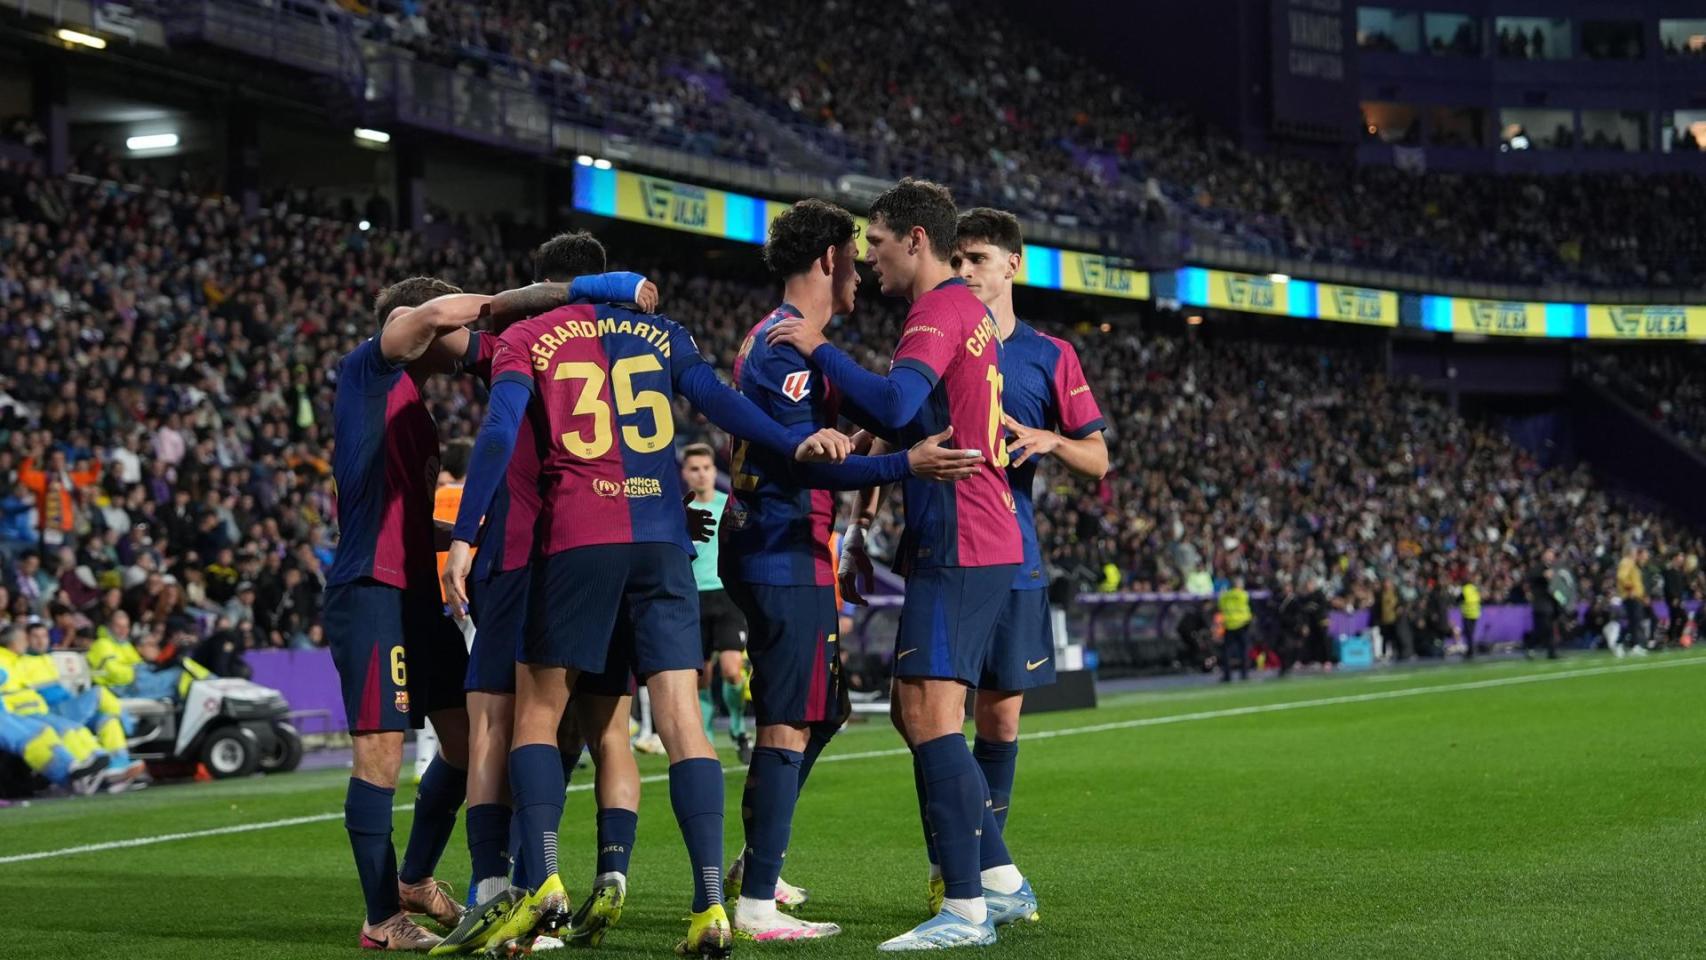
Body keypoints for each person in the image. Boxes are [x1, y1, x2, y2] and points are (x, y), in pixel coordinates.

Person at [440, 272, 854, 957]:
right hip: (662, 542)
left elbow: (499, 428)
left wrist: (464, 536)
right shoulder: (663, 332)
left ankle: (540, 880)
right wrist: (791, 443)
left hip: (577, 537)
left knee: (538, 715)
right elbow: (719, 401)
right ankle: (710, 907)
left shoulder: (527, 335)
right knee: (683, 721)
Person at [766, 178, 1023, 951]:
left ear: (915, 239)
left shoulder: (938, 310)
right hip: (977, 534)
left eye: (874, 242)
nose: (867, 257)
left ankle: (967, 909)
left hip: (963, 536)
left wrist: (817, 350)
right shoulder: (967, 311)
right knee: (926, 710)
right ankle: (1001, 882)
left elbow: (897, 406)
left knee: (923, 712)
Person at [427, 244, 659, 954]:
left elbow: (438, 326)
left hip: (526, 551)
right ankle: (572, 879)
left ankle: (499, 891)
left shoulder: (518, 343)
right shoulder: (634, 350)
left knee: (499, 722)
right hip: (616, 548)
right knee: (585, 730)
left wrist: (464, 538)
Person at [323, 276, 566, 951]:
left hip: (415, 598)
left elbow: (400, 512)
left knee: (465, 745)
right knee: (379, 755)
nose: (472, 341)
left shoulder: (414, 410)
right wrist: (548, 293)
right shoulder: (369, 370)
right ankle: (381, 918)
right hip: (370, 590)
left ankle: (412, 879)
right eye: (463, 326)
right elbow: (428, 312)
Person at [883, 205, 1103, 920]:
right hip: (940, 540)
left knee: (997, 721)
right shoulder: (942, 328)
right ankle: (966, 870)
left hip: (1010, 552)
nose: (967, 269)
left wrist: (1050, 439)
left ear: (1014, 265)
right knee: (914, 710)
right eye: (962, 256)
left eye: (980, 259)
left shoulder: (1049, 354)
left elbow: (1098, 458)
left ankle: (983, 875)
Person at [680, 444, 750, 763]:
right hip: (692, 598)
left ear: (713, 470)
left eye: (706, 467)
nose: (701, 473)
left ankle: (737, 729)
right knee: (701, 676)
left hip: (727, 596)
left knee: (732, 670)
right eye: (694, 468)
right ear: (685, 473)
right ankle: (706, 738)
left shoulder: (728, 507)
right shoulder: (677, 512)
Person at [1616, 546, 1650, 654]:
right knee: (1633, 621)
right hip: (1631, 596)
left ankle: (1633, 645)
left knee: (1634, 622)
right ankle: (1621, 644)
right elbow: (1622, 577)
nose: (1636, 554)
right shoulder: (1626, 562)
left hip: (1635, 596)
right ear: (1630, 552)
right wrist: (1630, 589)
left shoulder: (1631, 563)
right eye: (1635, 552)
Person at [1218, 577, 1252, 682]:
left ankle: (1227, 675)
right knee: (1244, 651)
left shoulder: (1224, 596)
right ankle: (1244, 674)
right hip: (1242, 624)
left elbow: (1221, 607)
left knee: (1227, 652)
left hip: (1229, 625)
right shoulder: (1243, 595)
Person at [1459, 573, 1481, 660]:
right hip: (1475, 614)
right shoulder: (1474, 588)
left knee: (1468, 634)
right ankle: (1471, 650)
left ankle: (1470, 651)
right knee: (1471, 634)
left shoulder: (1464, 589)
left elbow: (1459, 599)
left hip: (1467, 614)